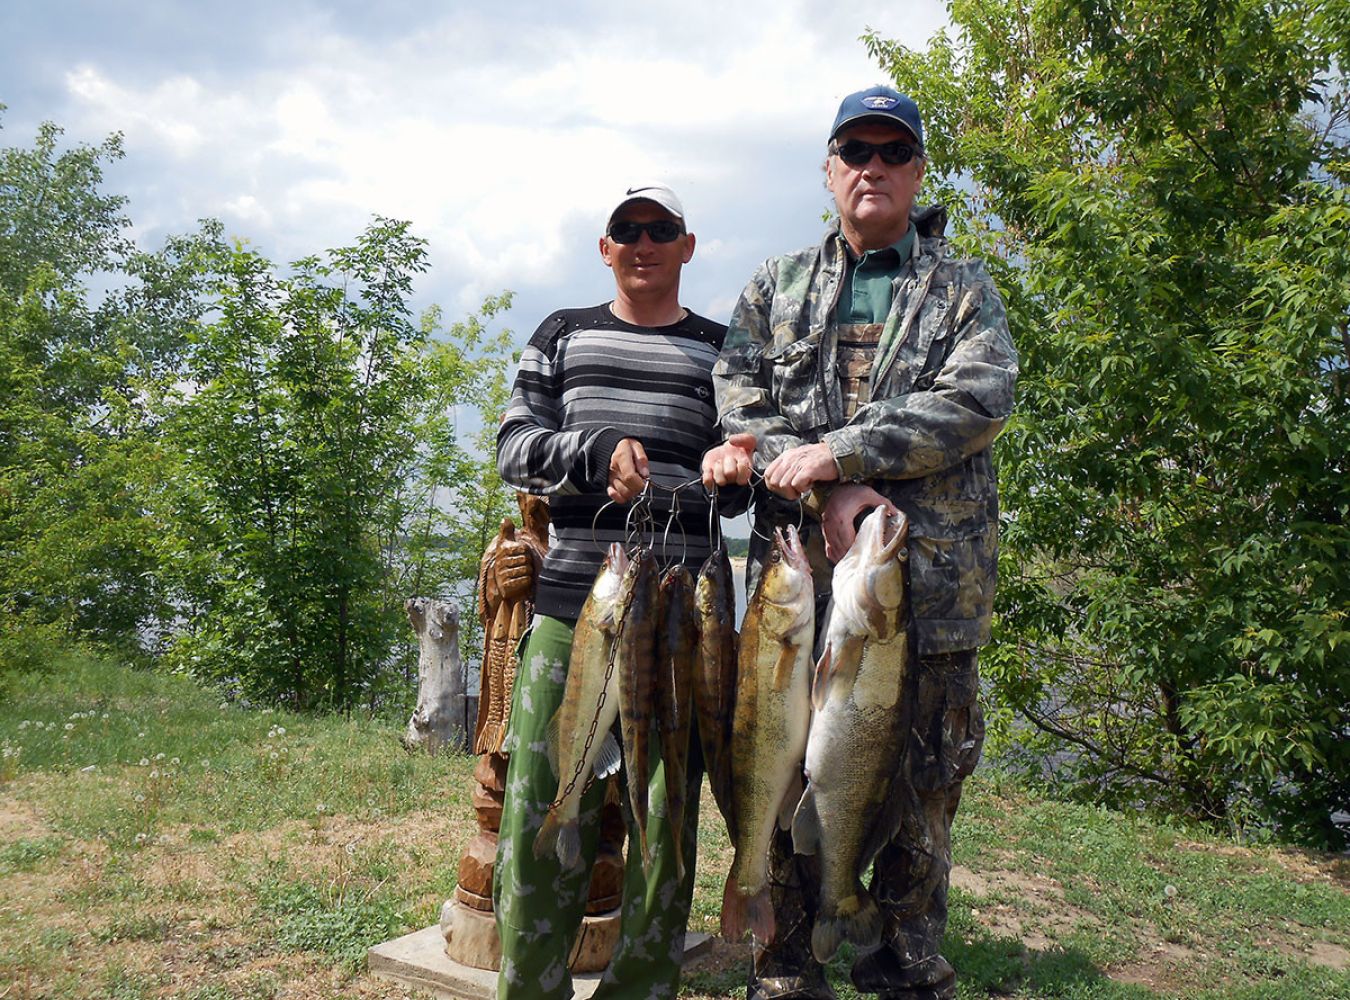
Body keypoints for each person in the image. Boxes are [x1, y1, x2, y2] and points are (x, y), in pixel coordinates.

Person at [703, 86, 1019, 999]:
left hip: (928, 591)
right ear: (830, 170)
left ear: (918, 172)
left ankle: (901, 957)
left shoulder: (963, 290)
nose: (873, 167)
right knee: (783, 757)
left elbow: (977, 401)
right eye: (856, 152)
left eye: (893, 152)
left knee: (921, 784)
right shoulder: (775, 284)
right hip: (796, 592)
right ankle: (787, 955)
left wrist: (843, 451)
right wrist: (836, 488)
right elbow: (740, 400)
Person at [493, 182, 729, 999]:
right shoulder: (562, 333)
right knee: (537, 814)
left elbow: (747, 472)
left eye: (659, 229)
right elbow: (514, 447)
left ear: (686, 246)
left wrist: (737, 470)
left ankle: (642, 988)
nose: (642, 242)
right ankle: (531, 988)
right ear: (604, 248)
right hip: (572, 609)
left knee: (664, 824)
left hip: (680, 625)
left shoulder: (723, 352)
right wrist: (595, 453)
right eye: (625, 230)